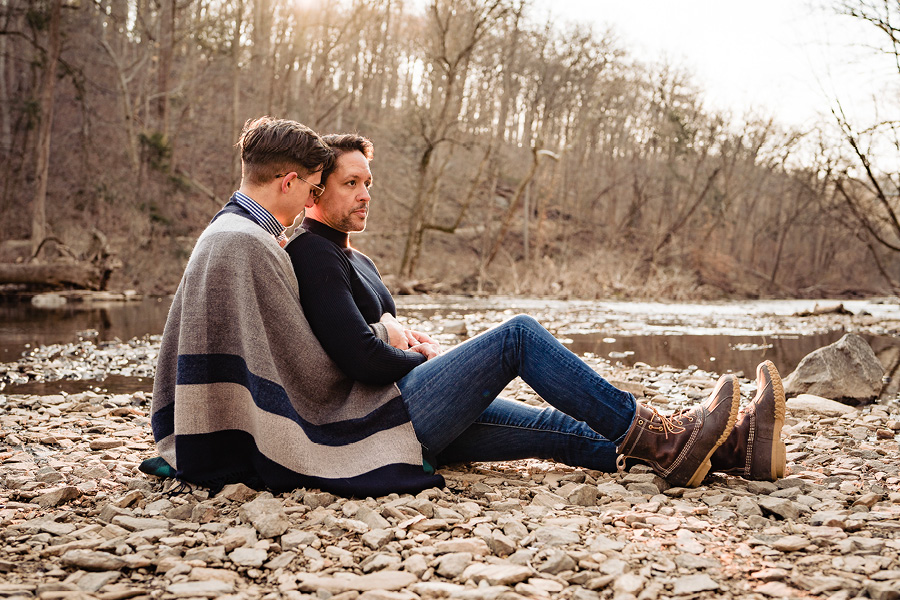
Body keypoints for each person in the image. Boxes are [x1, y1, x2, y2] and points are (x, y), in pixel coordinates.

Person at [286, 133, 788, 491]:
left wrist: (409, 340)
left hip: (406, 410)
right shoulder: (311, 251)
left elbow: (373, 333)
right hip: (381, 421)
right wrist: (412, 353)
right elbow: (361, 359)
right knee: (517, 337)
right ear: (315, 190)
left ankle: (737, 449)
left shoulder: (356, 257)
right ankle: (663, 435)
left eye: (367, 182)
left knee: (559, 431)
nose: (366, 194)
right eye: (351, 183)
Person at [147, 117, 444, 496]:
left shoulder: (231, 230)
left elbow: (296, 339)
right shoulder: (247, 243)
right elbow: (306, 362)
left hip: (203, 430)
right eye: (311, 188)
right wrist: (392, 338)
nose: (310, 200)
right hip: (224, 442)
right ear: (288, 182)